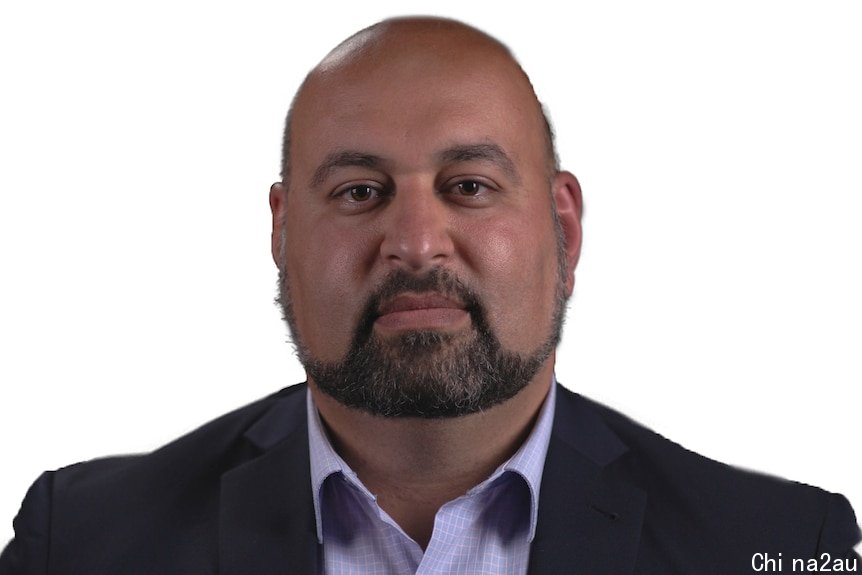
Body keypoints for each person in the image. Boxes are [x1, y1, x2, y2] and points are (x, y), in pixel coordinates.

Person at [1, 16, 859, 575]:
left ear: (565, 226)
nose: (414, 243)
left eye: (470, 185)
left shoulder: (780, 547)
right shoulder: (78, 547)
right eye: (358, 192)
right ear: (279, 231)